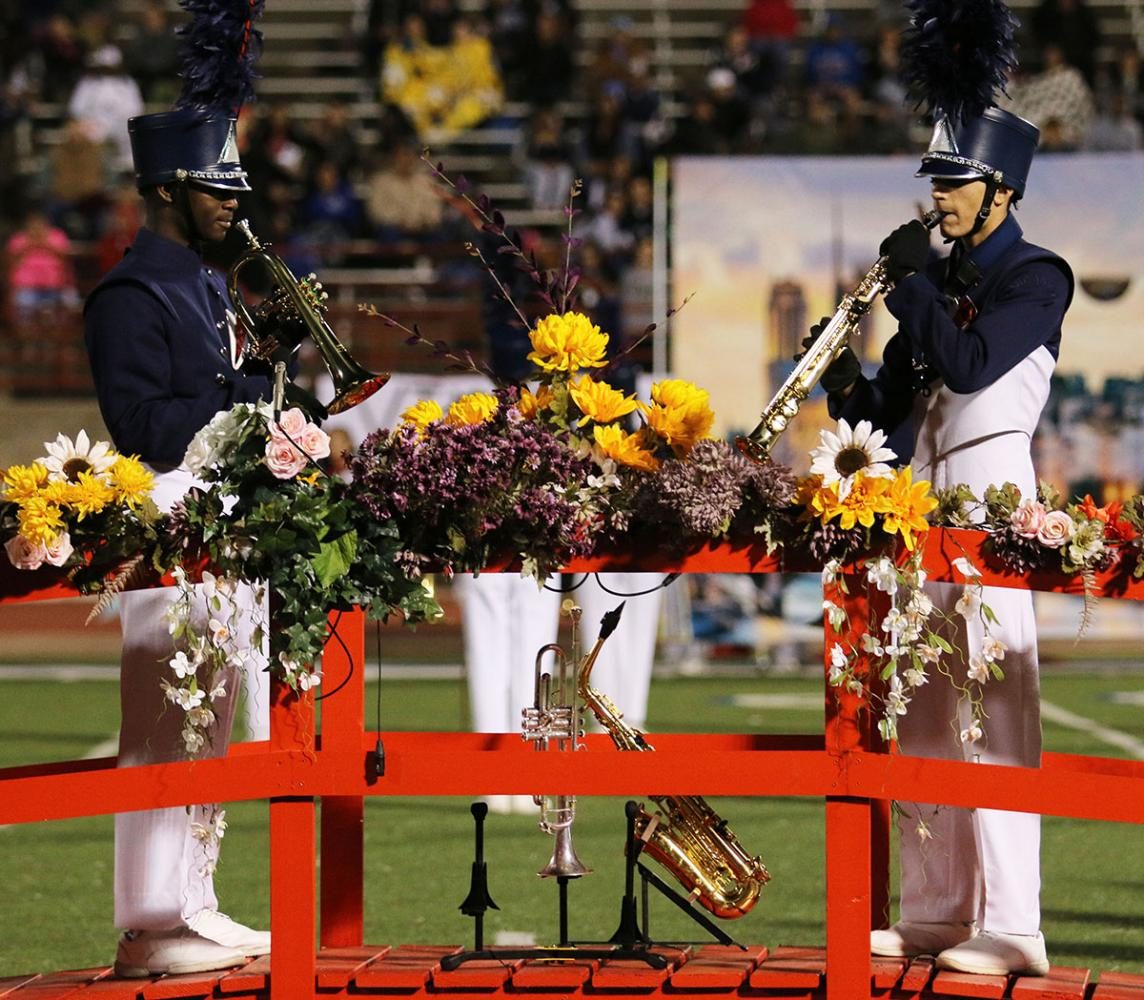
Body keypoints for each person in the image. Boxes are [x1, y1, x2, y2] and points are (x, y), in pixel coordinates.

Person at [816, 107, 1073, 976]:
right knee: (923, 707)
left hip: (993, 502)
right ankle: (934, 911)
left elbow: (969, 366)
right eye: (935, 179)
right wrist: (845, 379)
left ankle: (1013, 926)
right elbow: (891, 415)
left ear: (1002, 191)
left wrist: (918, 286)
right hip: (921, 505)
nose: (939, 195)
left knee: (995, 714)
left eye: (955, 180)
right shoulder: (939, 279)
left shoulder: (1039, 277)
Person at [83, 106, 276, 976]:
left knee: (209, 721)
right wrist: (244, 404)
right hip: (168, 524)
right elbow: (138, 426)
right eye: (215, 187)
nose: (233, 203)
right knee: (164, 722)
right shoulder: (132, 293)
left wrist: (268, 385)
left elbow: (217, 397)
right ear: (164, 190)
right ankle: (150, 925)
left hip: (218, 523)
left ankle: (191, 901)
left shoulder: (205, 282)